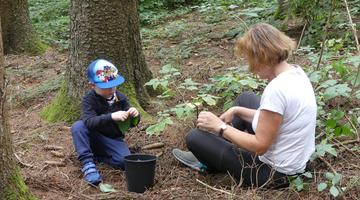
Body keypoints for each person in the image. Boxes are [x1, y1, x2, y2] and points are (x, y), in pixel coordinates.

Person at [173, 23, 317, 188]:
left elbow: (260, 146)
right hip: (296, 164)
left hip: (273, 175)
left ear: (261, 56)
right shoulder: (296, 73)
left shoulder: (277, 89)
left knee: (194, 137)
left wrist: (221, 127)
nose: (251, 69)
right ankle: (212, 148)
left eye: (250, 59)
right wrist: (237, 111)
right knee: (244, 99)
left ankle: (209, 156)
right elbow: (278, 119)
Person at [71, 59, 140, 185]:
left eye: (114, 85)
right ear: (92, 86)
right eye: (106, 87)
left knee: (124, 161)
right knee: (78, 126)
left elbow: (131, 124)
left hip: (113, 139)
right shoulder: (89, 99)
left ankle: (99, 157)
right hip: (94, 135)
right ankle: (88, 163)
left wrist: (135, 115)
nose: (111, 90)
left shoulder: (120, 97)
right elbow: (89, 121)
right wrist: (111, 116)